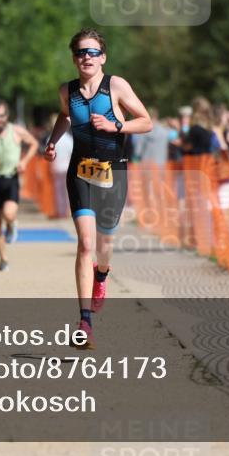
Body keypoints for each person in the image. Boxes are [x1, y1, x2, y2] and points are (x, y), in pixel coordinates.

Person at [44, 28, 152, 351]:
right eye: (80, 52)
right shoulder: (68, 91)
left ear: (103, 57)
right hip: (80, 171)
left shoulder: (115, 86)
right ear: (74, 58)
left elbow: (145, 121)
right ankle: (85, 323)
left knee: (104, 244)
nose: (86, 57)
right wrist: (52, 141)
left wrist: (116, 125)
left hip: (113, 173)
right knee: (85, 243)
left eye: (92, 52)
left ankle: (101, 277)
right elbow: (65, 116)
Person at [0, 100, 38, 272]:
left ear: (7, 116)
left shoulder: (16, 131)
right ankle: (3, 259)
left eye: (1, 116)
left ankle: (11, 224)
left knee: (8, 213)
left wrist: (24, 161)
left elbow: (33, 143)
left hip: (10, 179)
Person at [46, 115, 74, 218]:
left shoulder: (51, 139)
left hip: (57, 167)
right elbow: (72, 153)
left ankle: (61, 211)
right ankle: (69, 211)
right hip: (67, 167)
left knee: (59, 191)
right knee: (68, 191)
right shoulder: (69, 139)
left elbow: (49, 154)